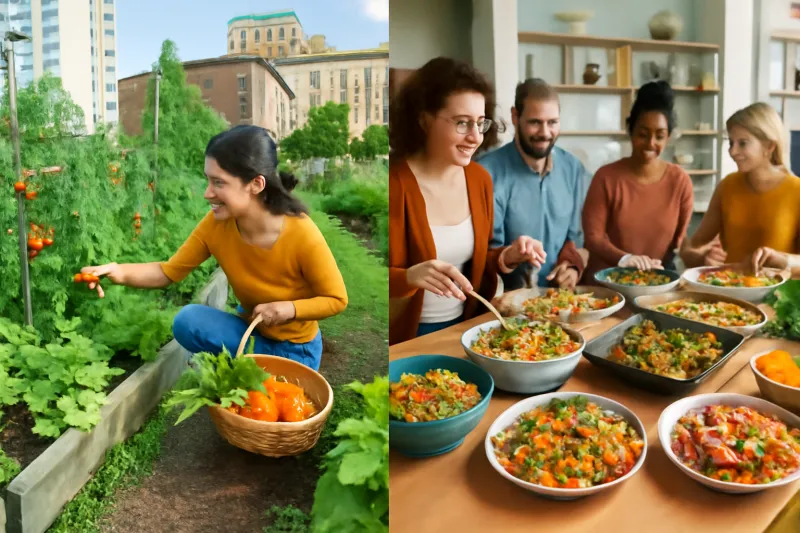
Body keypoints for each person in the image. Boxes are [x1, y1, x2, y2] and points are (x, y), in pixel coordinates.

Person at [79, 125, 348, 371]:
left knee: (263, 407)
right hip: (249, 334)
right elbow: (168, 272)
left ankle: (250, 370)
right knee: (188, 321)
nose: (207, 192)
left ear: (256, 184)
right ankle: (242, 366)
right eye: (208, 180)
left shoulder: (300, 233)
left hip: (294, 350)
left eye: (219, 183)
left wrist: (289, 309)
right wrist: (118, 272)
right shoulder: (216, 225)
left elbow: (336, 299)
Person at [389, 57, 546, 346]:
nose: (475, 137)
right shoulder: (392, 182)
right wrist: (409, 277)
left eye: (480, 123)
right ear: (423, 119)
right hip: (404, 338)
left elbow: (475, 260)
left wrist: (507, 256)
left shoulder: (479, 179)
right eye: (462, 123)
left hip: (467, 329)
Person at [477, 78, 590, 292]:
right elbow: (483, 255)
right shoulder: (485, 173)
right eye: (535, 122)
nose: (545, 133)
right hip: (506, 302)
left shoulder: (573, 168)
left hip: (560, 301)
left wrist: (571, 267)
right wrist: (512, 255)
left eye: (552, 122)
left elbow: (575, 239)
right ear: (515, 116)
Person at [581, 81, 693, 282]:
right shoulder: (606, 178)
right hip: (606, 286)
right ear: (630, 130)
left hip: (655, 283)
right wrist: (626, 259)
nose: (651, 143)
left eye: (659, 136)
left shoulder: (680, 181)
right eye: (643, 134)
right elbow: (593, 238)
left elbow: (678, 243)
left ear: (668, 137)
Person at [680, 102, 800, 268]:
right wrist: (703, 258)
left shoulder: (796, 191)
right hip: (729, 291)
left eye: (742, 143)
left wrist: (783, 260)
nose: (732, 151)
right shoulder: (727, 186)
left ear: (769, 146)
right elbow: (690, 248)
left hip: (781, 293)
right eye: (731, 143)